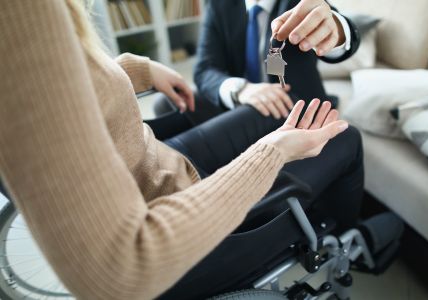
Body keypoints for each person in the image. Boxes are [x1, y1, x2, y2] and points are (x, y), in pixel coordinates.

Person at [0, 1, 356, 299]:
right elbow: (205, 70)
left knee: (310, 126)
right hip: (170, 187)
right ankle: (341, 233)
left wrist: (337, 28)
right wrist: (245, 100)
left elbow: (55, 90)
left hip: (162, 160)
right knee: (346, 138)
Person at [195, 0, 361, 118]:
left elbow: (332, 26)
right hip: (241, 103)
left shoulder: (300, 3)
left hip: (295, 107)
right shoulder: (218, 5)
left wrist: (338, 30)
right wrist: (241, 89)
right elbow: (204, 70)